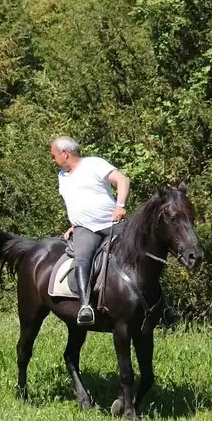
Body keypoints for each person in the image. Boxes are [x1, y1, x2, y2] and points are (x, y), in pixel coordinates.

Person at [51, 136, 130, 326]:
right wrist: (75, 222)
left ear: (65, 153)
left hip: (113, 223)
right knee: (83, 257)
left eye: (54, 155)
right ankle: (86, 306)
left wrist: (120, 205)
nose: (53, 160)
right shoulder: (62, 176)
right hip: (85, 229)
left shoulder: (94, 164)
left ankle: (163, 306)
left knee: (140, 251)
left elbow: (122, 180)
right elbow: (75, 201)